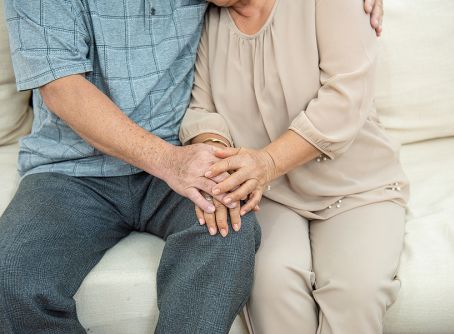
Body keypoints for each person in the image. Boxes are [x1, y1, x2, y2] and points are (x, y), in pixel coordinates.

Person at [0, 0, 383, 334]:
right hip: (73, 170)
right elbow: (63, 89)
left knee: (230, 232)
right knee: (10, 276)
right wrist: (169, 162)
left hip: (183, 154)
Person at [180, 0, 408, 333]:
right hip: (266, 194)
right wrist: (217, 157)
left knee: (358, 292)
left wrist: (267, 161)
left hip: (357, 185)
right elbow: (201, 107)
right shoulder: (203, 19)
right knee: (270, 285)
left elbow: (346, 96)